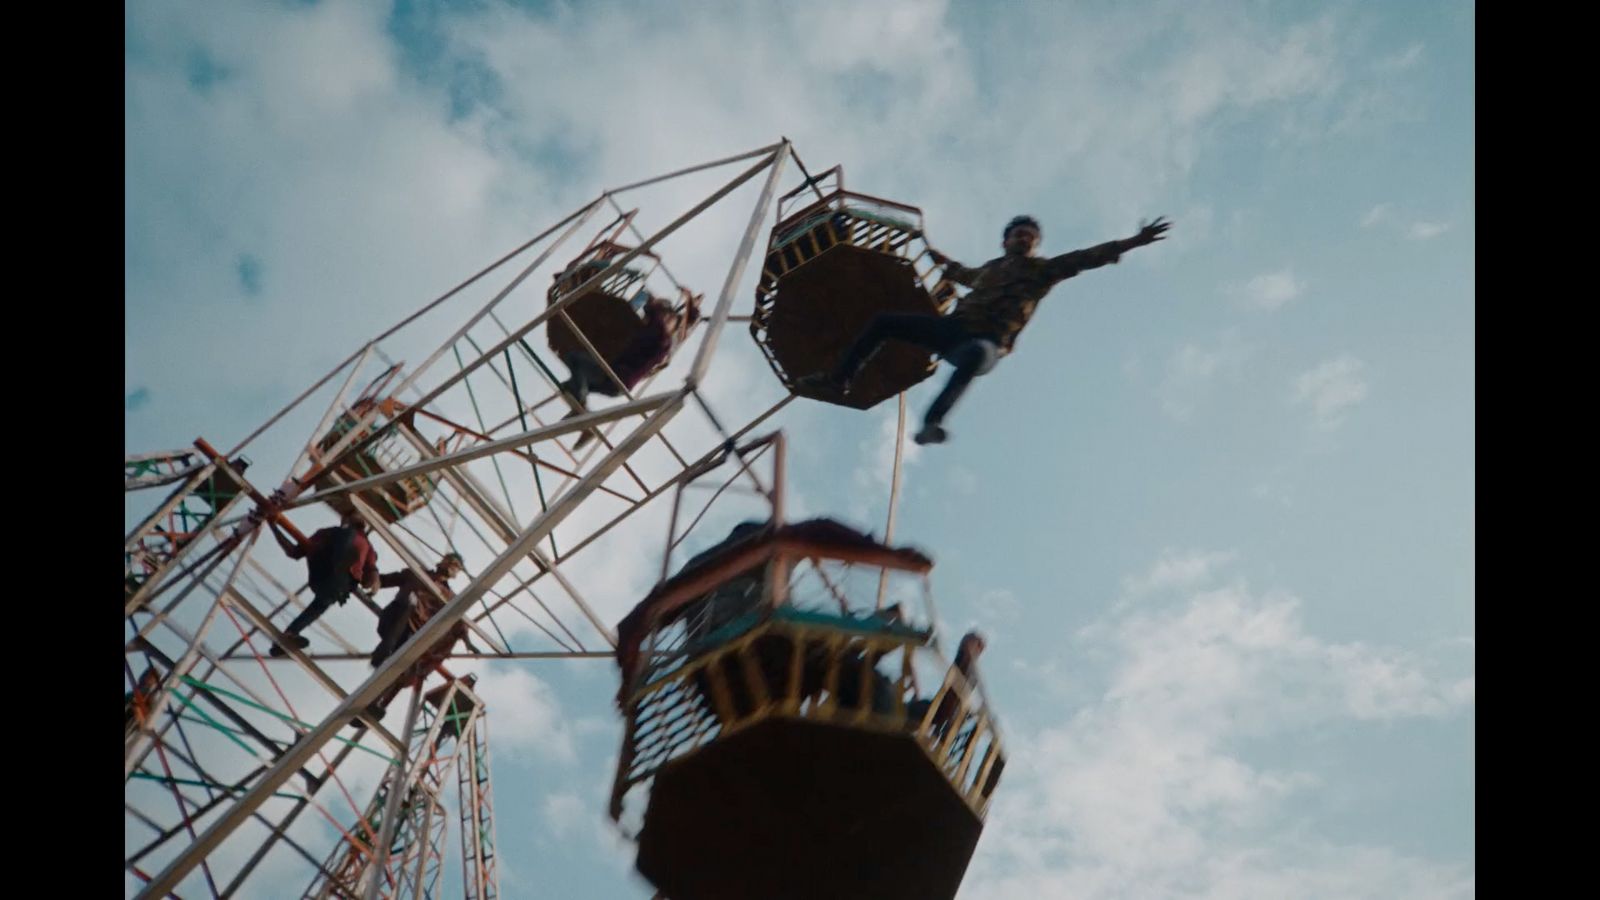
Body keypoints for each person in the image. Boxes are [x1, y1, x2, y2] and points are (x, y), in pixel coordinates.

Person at [802, 215, 1171, 445]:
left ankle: (932, 423)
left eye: (1029, 236)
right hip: (953, 329)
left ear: (1035, 245)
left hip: (985, 343)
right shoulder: (988, 270)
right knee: (885, 321)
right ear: (1005, 241)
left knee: (976, 355)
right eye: (1018, 235)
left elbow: (1086, 257)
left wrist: (1134, 241)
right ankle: (839, 378)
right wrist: (924, 244)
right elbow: (956, 270)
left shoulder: (1043, 270)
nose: (1023, 239)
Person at [560, 288, 702, 449]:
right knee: (569, 387)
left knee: (575, 358)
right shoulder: (650, 332)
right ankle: (585, 424)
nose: (664, 318)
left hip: (617, 378)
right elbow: (662, 317)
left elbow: (661, 316)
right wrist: (690, 304)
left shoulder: (664, 340)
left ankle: (581, 413)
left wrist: (657, 301)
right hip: (614, 379)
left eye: (668, 318)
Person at [365, 553, 481, 722]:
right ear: (442, 561)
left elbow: (459, 624)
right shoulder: (418, 574)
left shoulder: (448, 597)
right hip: (395, 616)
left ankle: (374, 700)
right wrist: (368, 581)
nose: (452, 567)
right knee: (409, 603)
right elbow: (385, 580)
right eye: (451, 562)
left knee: (403, 666)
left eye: (456, 566)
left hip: (412, 633)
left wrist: (468, 643)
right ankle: (385, 649)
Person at [266, 509, 380, 657]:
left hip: (333, 583)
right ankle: (289, 635)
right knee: (326, 598)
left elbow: (370, 572)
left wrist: (374, 581)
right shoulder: (333, 534)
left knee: (321, 604)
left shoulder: (367, 547)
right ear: (345, 519)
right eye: (356, 514)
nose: (361, 518)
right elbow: (293, 551)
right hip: (328, 571)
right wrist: (274, 526)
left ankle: (289, 635)